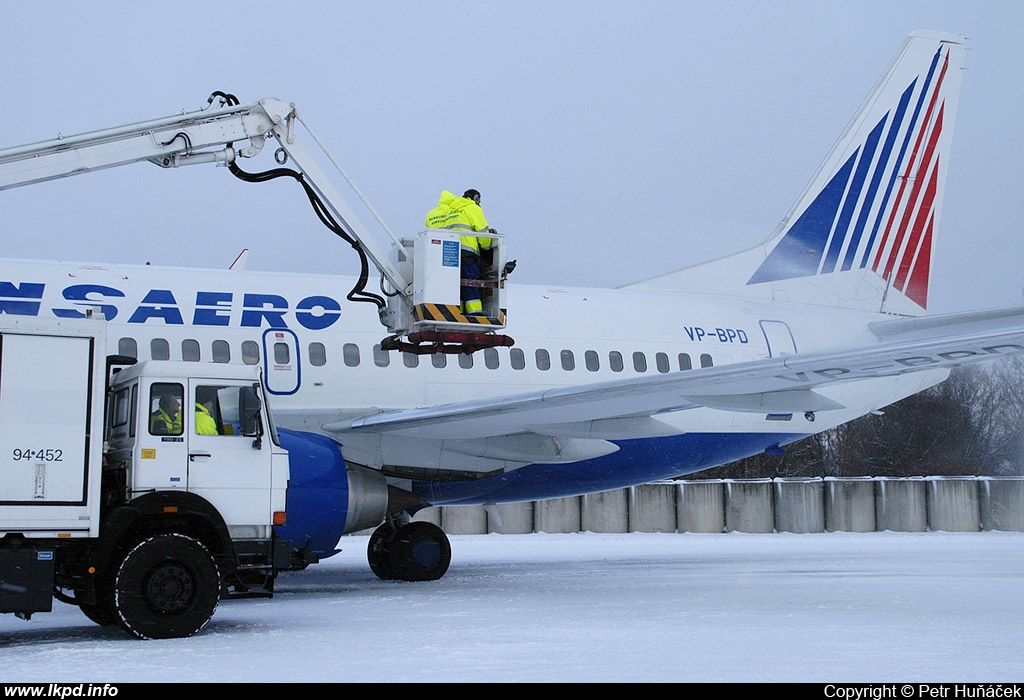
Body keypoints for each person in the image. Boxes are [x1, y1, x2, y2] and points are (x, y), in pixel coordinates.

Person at [425, 189, 493, 315]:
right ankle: (475, 314)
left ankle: (459, 313)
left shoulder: (452, 211)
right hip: (468, 252)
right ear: (476, 198)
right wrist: (487, 249)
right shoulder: (472, 208)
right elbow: (483, 233)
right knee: (470, 282)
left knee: (456, 284)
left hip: (448, 252)